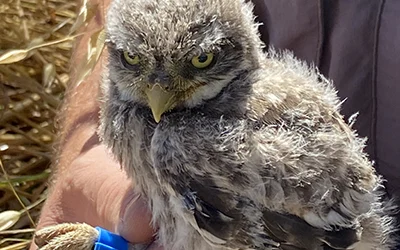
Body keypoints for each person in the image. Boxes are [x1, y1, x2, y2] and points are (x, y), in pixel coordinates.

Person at [30, 0, 400, 249]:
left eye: (202, 60)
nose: (159, 96)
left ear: (239, 48)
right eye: (131, 58)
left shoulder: (198, 143)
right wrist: (84, 147)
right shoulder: (128, 110)